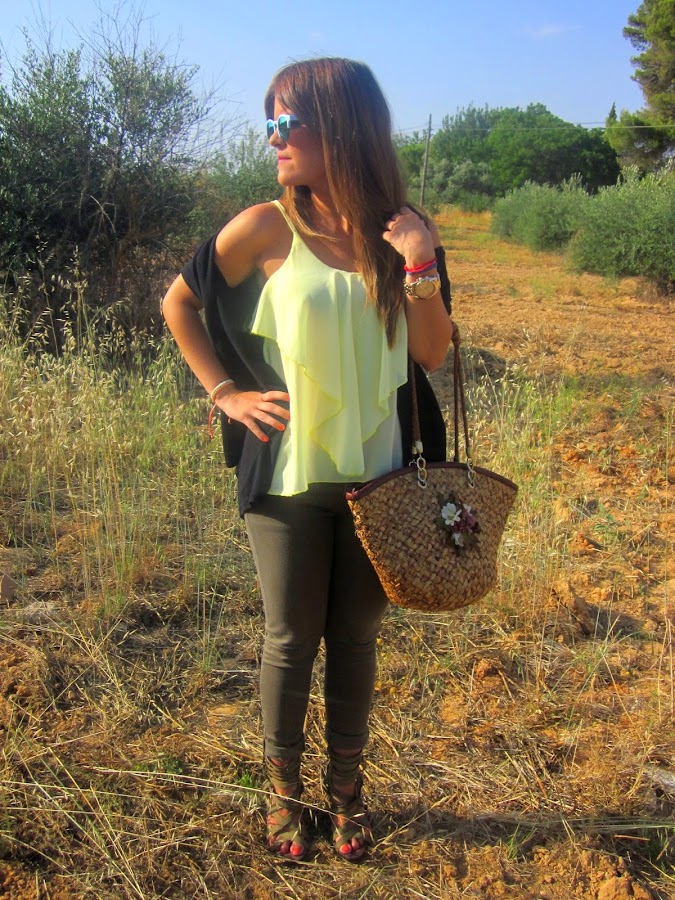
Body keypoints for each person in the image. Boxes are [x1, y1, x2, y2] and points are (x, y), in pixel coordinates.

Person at [162, 57, 453, 862]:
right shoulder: (263, 227)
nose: (273, 138)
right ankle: (283, 797)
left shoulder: (404, 231)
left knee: (354, 637)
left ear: (344, 126)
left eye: (287, 122)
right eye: (270, 122)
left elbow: (430, 352)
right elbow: (178, 302)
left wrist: (420, 262)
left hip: (381, 476)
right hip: (285, 474)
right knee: (291, 638)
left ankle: (347, 795)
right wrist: (225, 392)